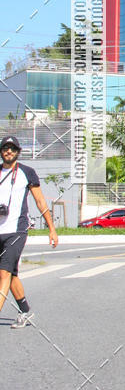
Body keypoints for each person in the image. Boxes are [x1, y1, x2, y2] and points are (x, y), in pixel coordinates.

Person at [0, 136, 58, 328]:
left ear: (18, 152)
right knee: (11, 274)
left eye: (12, 148)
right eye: (5, 148)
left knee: (3, 273)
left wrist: (52, 229)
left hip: (17, 231)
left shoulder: (27, 173)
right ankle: (25, 311)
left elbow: (40, 202)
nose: (9, 151)